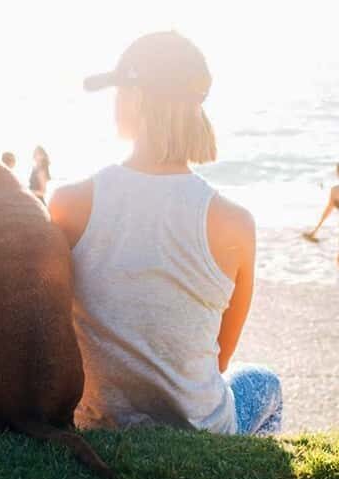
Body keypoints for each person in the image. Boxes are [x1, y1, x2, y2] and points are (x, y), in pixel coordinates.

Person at [49, 31, 282, 436]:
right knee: (266, 383)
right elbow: (220, 361)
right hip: (201, 428)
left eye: (119, 90)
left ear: (137, 98)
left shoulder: (69, 203)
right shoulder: (235, 223)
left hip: (98, 422)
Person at [303, 163, 339, 254]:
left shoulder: (335, 191)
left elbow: (329, 209)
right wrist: (315, 230)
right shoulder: (335, 191)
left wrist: (315, 230)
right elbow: (329, 209)